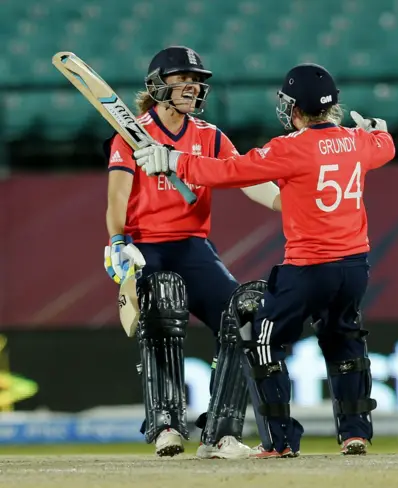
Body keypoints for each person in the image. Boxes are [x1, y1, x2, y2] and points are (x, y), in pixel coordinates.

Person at [133, 63, 396, 457]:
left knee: (261, 343)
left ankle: (279, 441)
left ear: (295, 107)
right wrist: (379, 129)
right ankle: (355, 433)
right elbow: (386, 148)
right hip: (355, 267)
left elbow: (232, 171)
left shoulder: (289, 147)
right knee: (345, 342)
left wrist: (174, 162)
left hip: (307, 268)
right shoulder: (359, 142)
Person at [103, 45, 282, 458]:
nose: (193, 87)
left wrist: (288, 205)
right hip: (147, 246)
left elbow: (245, 179)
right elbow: (117, 199)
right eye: (183, 79)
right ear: (158, 85)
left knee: (246, 316)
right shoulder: (129, 135)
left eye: (197, 81)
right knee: (162, 304)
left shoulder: (210, 136)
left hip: (193, 245)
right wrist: (117, 243)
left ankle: (222, 434)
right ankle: (165, 425)